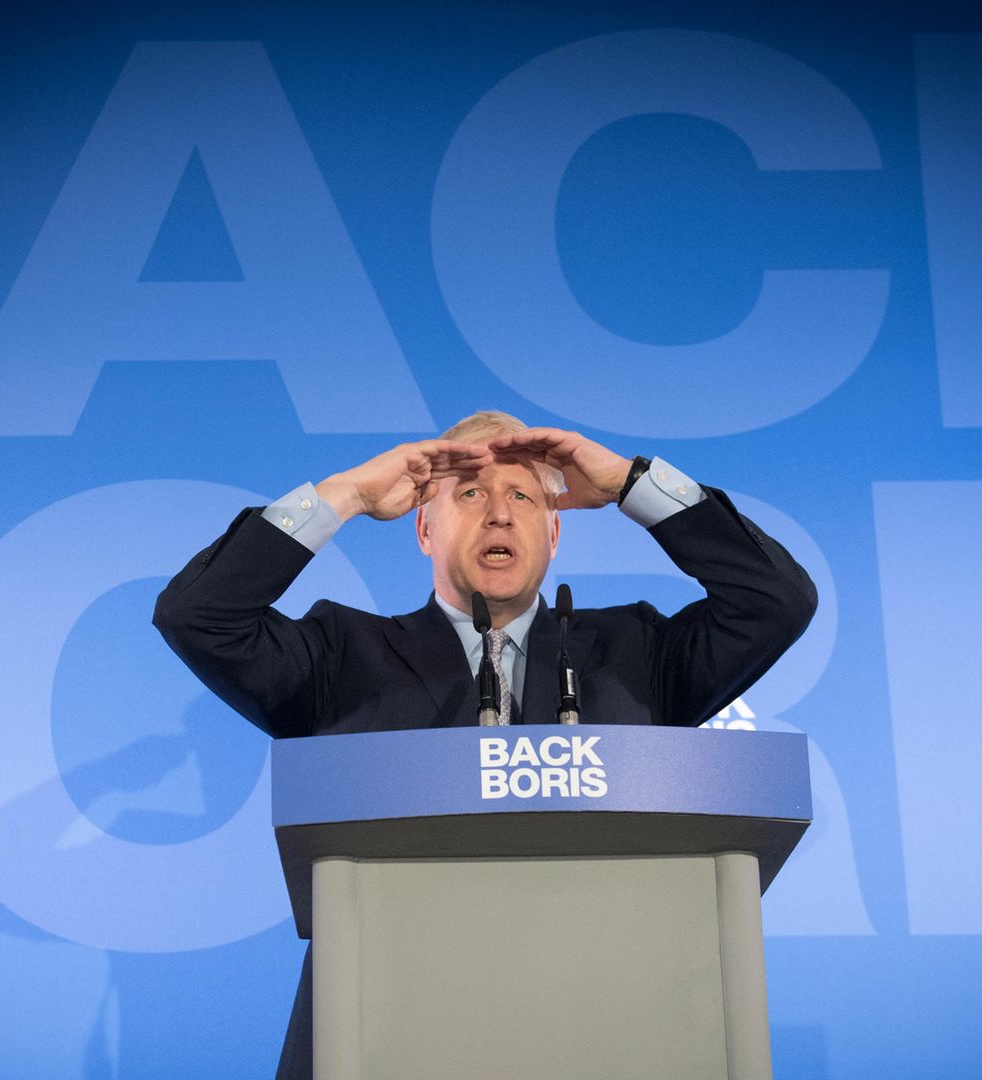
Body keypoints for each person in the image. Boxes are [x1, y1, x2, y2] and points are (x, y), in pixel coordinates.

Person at [152, 410, 818, 1078]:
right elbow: (198, 616)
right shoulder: (340, 656)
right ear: (423, 527)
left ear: (553, 534)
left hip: (615, 1028)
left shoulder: (640, 652)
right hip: (385, 1037)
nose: (499, 514)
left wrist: (628, 483)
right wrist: (348, 494)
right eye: (469, 493)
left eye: (523, 496)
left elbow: (776, 602)